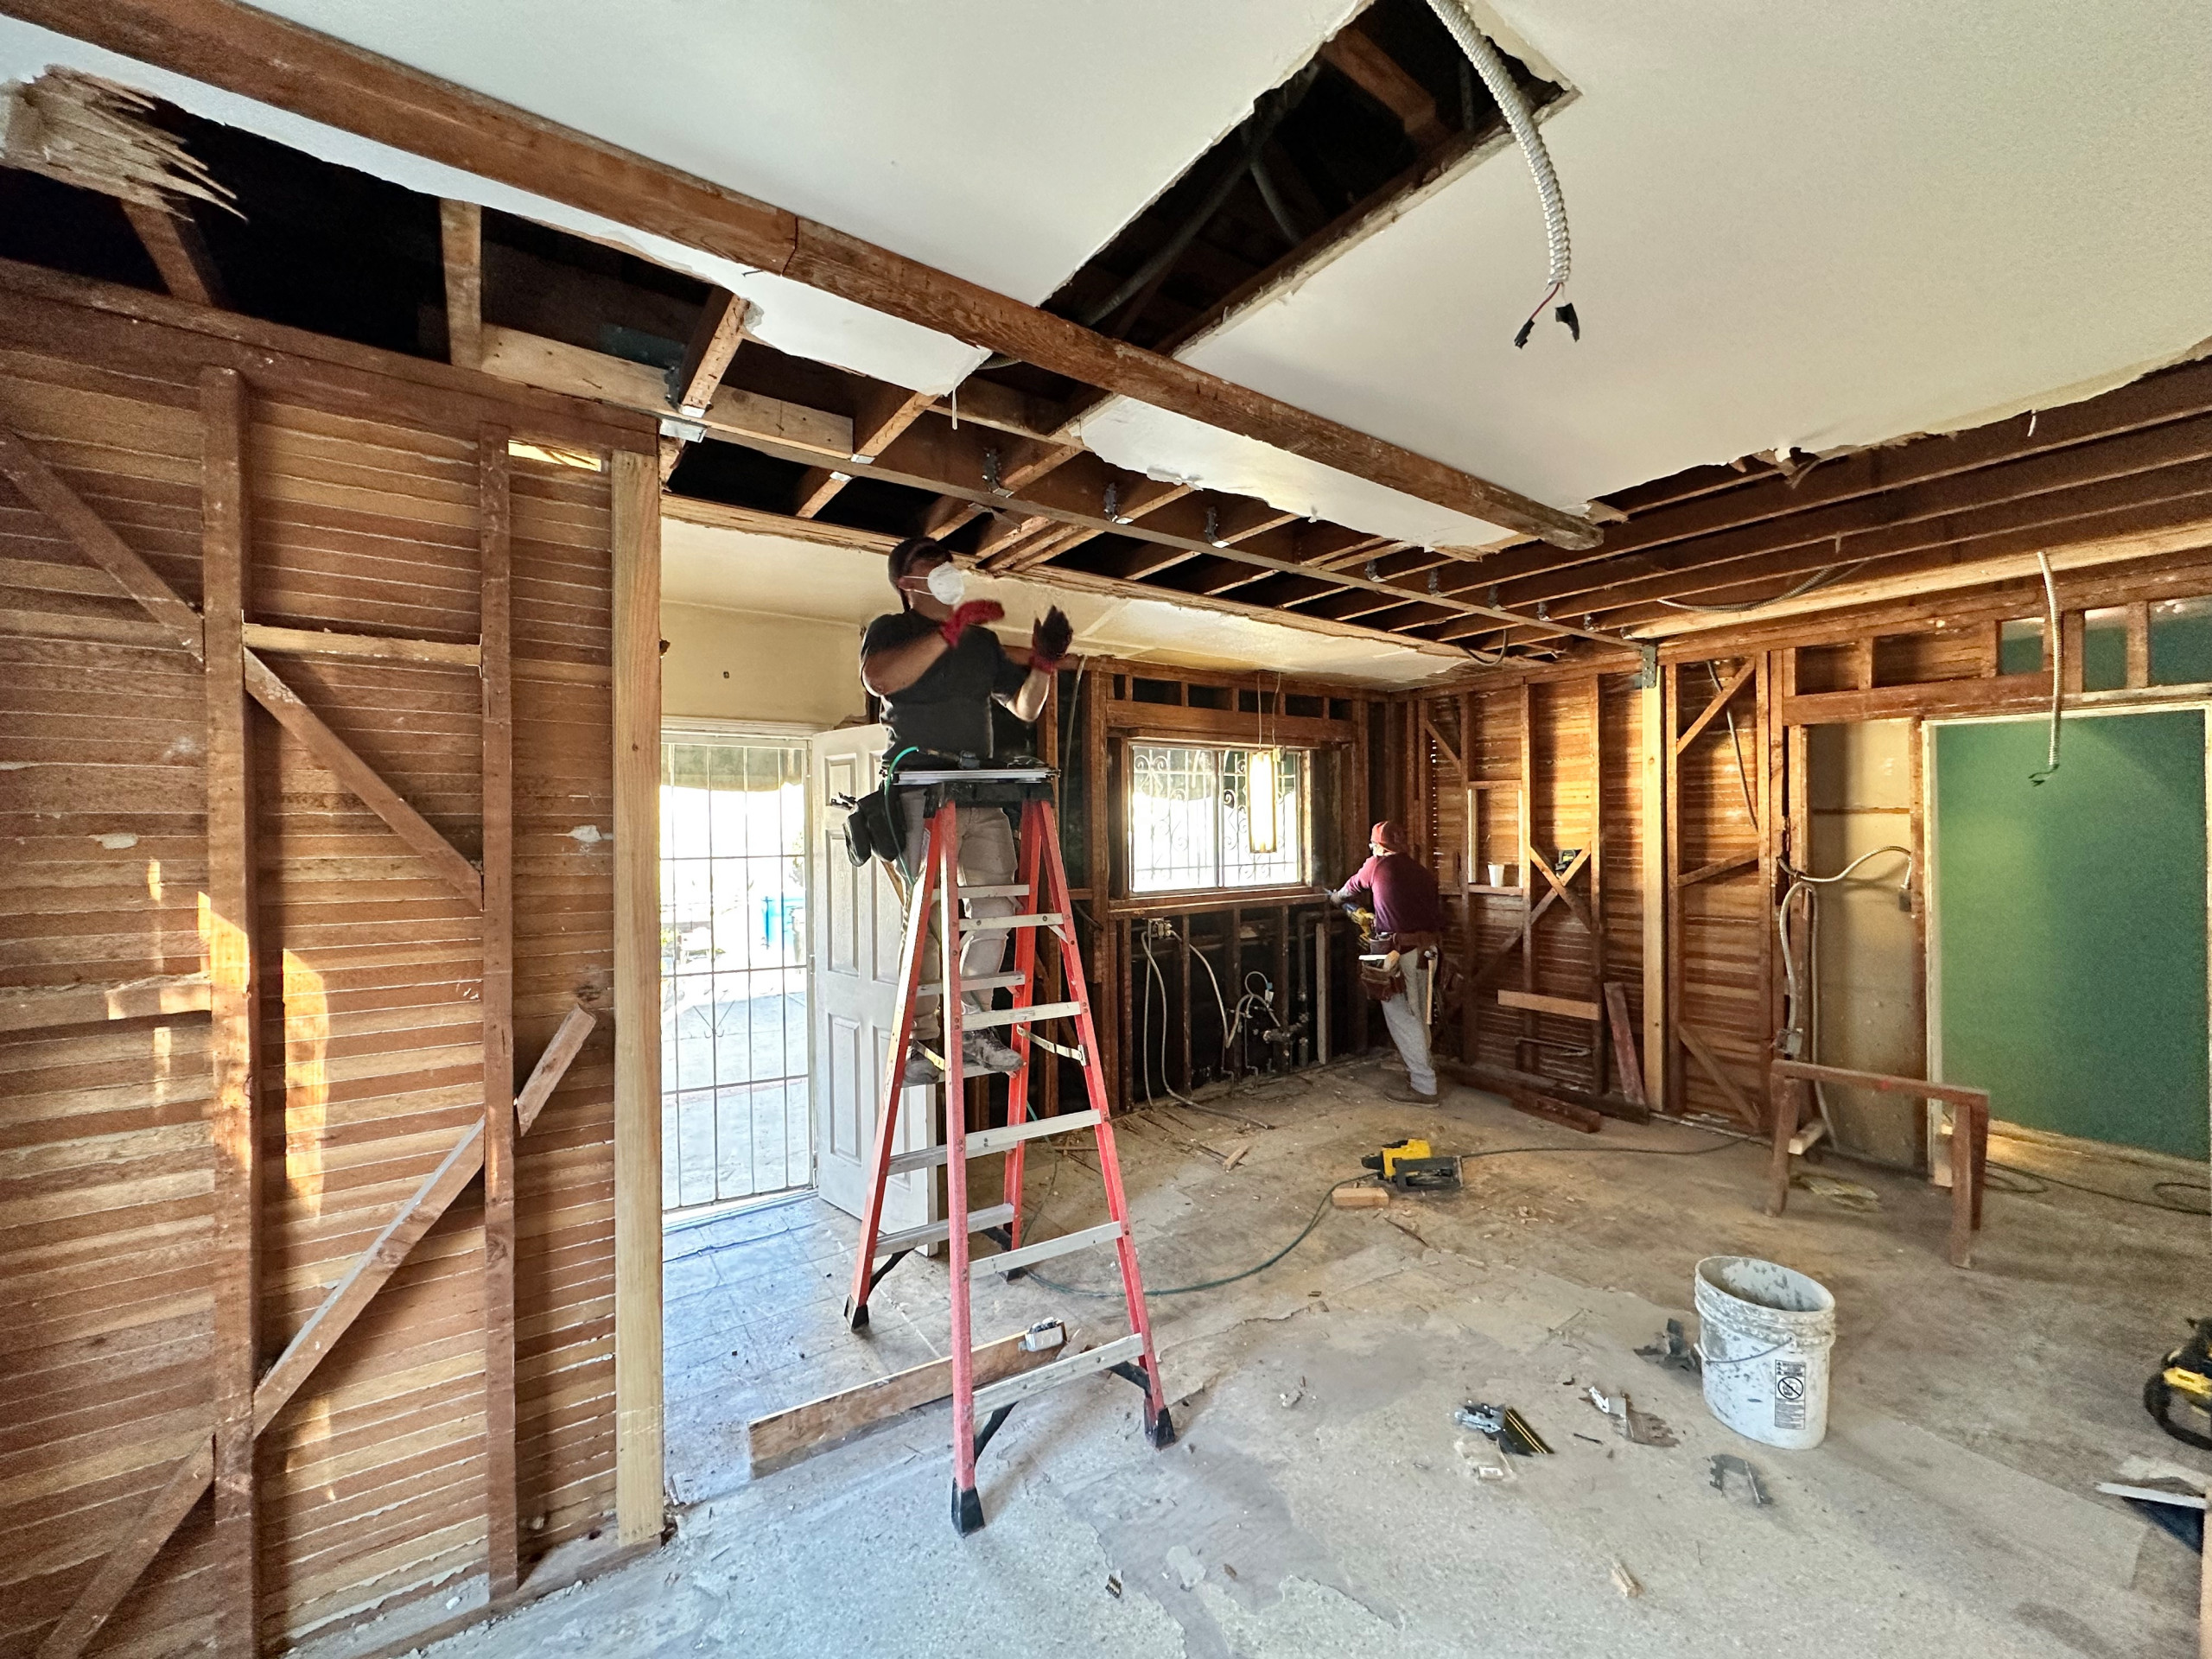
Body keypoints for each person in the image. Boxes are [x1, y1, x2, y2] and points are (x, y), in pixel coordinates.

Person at [860, 536, 1072, 1084]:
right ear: (906, 583)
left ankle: (972, 1026)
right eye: (931, 564)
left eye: (948, 562)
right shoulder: (891, 630)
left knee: (998, 907)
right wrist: (947, 632)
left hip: (979, 789)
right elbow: (882, 679)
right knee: (928, 919)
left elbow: (1024, 707)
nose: (946, 570)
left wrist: (1045, 664)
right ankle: (919, 1039)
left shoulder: (980, 644)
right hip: (920, 791)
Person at [1332, 820, 1446, 1103]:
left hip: (1400, 952)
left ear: (1379, 846)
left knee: (1401, 1016)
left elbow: (1350, 889)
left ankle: (1424, 1085)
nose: (1372, 848)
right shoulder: (1421, 871)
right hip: (1427, 951)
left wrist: (1336, 898)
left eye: (1373, 844)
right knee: (1419, 1014)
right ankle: (1423, 1069)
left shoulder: (1376, 866)